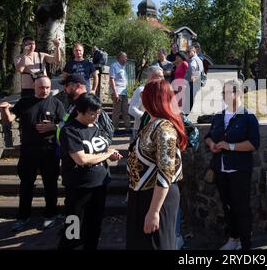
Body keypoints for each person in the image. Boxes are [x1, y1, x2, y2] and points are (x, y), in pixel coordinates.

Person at [126, 79, 187, 250]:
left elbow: (165, 172)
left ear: (152, 99)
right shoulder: (152, 123)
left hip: (157, 198)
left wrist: (153, 212)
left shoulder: (164, 128)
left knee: (155, 245)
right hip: (142, 195)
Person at [0, 76, 65, 231]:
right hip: (28, 151)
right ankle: (23, 217)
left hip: (49, 151)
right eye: (41, 87)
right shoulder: (24, 102)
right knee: (26, 185)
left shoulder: (56, 103)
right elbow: (9, 119)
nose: (45, 91)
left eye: (47, 87)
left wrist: (53, 128)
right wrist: (4, 109)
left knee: (50, 184)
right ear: (34, 87)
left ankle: (50, 215)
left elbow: (66, 124)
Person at [58, 94, 122, 250]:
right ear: (80, 111)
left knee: (94, 223)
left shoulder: (96, 126)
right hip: (79, 186)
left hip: (100, 183)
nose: (96, 116)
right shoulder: (70, 130)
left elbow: (99, 149)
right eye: (92, 113)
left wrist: (110, 154)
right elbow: (81, 159)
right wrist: (107, 154)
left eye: (98, 113)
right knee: (73, 225)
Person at [204, 79, 260, 250]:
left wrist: (231, 146)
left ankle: (245, 243)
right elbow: (208, 136)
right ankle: (233, 238)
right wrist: (211, 144)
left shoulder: (248, 117)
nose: (225, 95)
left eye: (229, 92)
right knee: (227, 205)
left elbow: (254, 143)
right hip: (221, 169)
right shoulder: (219, 115)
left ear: (239, 93)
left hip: (239, 170)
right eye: (223, 92)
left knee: (241, 207)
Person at [59, 74, 114, 145]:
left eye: (67, 85)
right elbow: (66, 121)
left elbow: (103, 132)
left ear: (78, 86)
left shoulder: (90, 104)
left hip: (81, 151)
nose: (64, 89)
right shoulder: (73, 103)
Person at [128, 66, 164, 140]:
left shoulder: (161, 90)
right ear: (152, 77)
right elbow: (131, 109)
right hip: (141, 129)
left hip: (157, 129)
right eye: (161, 76)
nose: (163, 78)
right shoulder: (141, 90)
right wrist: (147, 118)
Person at [109, 52, 130, 134]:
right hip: (117, 92)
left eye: (126, 57)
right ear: (119, 58)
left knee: (125, 110)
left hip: (124, 92)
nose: (126, 59)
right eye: (124, 57)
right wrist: (115, 93)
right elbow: (112, 79)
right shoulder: (114, 66)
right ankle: (115, 129)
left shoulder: (123, 67)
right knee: (117, 111)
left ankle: (127, 129)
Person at [184, 45, 204, 114]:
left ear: (194, 51)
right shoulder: (199, 59)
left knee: (188, 102)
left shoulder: (193, 60)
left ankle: (184, 118)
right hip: (196, 83)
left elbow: (193, 67)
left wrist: (193, 77)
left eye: (188, 52)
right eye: (186, 52)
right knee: (190, 102)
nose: (187, 53)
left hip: (192, 84)